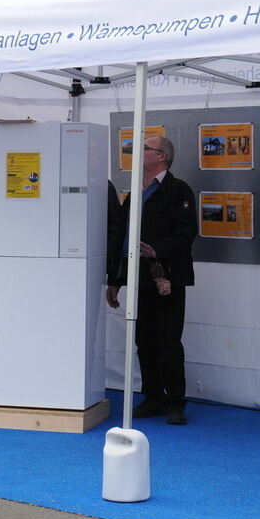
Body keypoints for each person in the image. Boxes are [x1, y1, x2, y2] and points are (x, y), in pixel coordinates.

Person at [107, 135, 197, 425]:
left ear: (162, 156)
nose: (139, 152)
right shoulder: (135, 190)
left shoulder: (178, 190)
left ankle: (175, 402)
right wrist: (115, 279)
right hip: (138, 278)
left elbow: (186, 233)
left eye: (145, 148)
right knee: (144, 341)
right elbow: (121, 233)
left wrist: (158, 250)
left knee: (168, 341)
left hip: (167, 278)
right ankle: (154, 396)